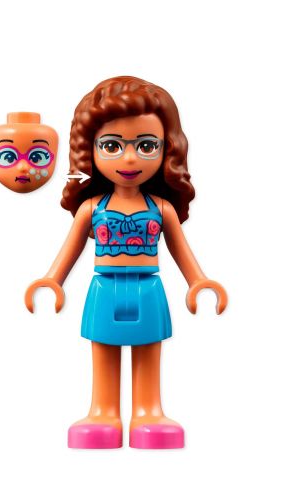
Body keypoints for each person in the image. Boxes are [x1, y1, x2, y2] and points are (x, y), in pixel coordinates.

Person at [25, 76, 228, 449]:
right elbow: (70, 250)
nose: (130, 158)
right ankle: (103, 412)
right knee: (103, 349)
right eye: (112, 146)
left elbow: (181, 250)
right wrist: (52, 280)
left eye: (146, 145)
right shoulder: (91, 208)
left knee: (149, 349)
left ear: (167, 149)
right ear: (90, 150)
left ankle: (148, 411)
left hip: (149, 288)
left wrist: (198, 281)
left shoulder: (162, 209)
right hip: (103, 287)